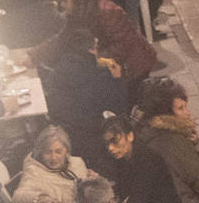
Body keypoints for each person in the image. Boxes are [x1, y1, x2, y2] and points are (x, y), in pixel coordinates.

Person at [28, 0, 157, 99]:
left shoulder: (106, 11)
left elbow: (124, 43)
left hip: (135, 65)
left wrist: (96, 57)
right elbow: (61, 39)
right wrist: (34, 54)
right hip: (117, 65)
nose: (62, 5)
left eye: (66, 1)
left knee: (132, 101)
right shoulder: (78, 14)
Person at [36, 25, 129, 173]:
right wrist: (117, 79)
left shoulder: (57, 71)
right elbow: (118, 107)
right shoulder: (99, 76)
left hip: (64, 132)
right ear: (92, 49)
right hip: (91, 137)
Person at [11, 125, 90, 203]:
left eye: (58, 151)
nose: (53, 158)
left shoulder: (77, 163)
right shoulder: (34, 170)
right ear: (40, 153)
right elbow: (18, 198)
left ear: (66, 151)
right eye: (47, 152)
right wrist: (40, 199)